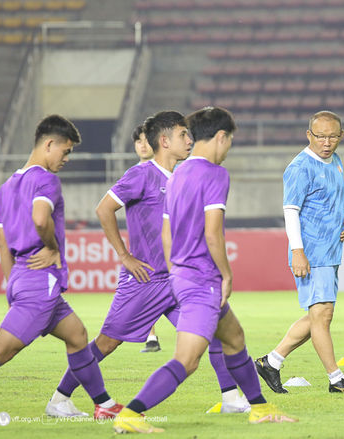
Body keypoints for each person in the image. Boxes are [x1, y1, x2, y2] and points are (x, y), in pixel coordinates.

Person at [45, 112, 250, 418]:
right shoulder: (142, 175)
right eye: (183, 134)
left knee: (215, 330)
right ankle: (59, 399)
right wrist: (125, 256)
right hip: (146, 281)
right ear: (164, 141)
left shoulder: (182, 176)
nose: (190, 140)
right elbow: (104, 209)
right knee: (107, 343)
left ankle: (231, 397)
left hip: (178, 279)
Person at [113, 107, 297, 434]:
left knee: (234, 337)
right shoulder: (215, 174)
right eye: (229, 142)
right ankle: (132, 413)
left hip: (182, 276)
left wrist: (175, 270)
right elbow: (213, 233)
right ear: (221, 137)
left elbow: (166, 232)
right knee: (187, 360)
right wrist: (225, 274)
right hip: (202, 280)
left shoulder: (177, 174)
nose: (228, 149)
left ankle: (259, 408)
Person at [0, 115, 123, 419]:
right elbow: (41, 218)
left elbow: (2, 242)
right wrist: (53, 248)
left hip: (22, 277)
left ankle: (101, 406)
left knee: (77, 336)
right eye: (65, 151)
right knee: (0, 352)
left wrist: (14, 283)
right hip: (39, 282)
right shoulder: (45, 180)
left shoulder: (7, 186)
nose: (66, 158)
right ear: (48, 144)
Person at [254, 110, 344, 394]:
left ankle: (272, 361)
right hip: (311, 251)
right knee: (323, 314)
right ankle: (336, 379)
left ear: (341, 136)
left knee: (319, 315)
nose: (326, 142)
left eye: (332, 136)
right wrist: (298, 252)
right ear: (309, 135)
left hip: (330, 249)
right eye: (320, 136)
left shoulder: (336, 161)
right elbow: (290, 211)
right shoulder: (299, 167)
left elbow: (337, 193)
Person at [131, 123, 162, 353]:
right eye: (138, 141)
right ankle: (151, 336)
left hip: (167, 248)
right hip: (143, 250)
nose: (142, 145)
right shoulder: (132, 175)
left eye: (146, 140)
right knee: (145, 293)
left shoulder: (169, 173)